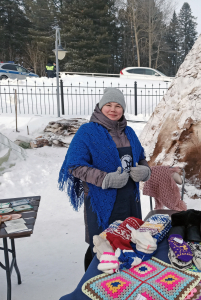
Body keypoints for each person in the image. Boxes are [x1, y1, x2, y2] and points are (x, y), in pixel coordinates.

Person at [58, 88, 151, 270]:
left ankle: (124, 283)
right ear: (101, 107)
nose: (113, 109)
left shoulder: (129, 132)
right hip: (101, 201)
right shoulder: (87, 132)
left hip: (129, 200)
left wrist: (144, 170)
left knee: (129, 242)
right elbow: (74, 165)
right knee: (101, 247)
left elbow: (141, 157)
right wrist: (105, 179)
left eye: (118, 106)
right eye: (108, 105)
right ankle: (93, 285)